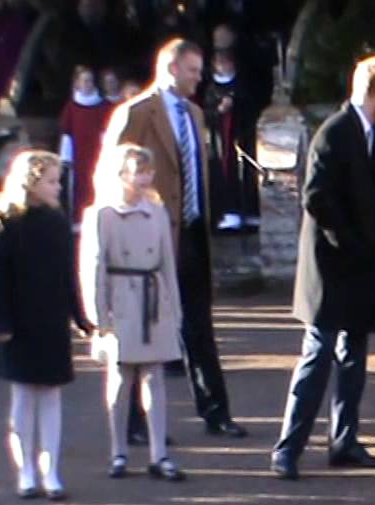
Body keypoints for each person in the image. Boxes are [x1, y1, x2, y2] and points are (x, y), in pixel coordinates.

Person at [271, 55, 375, 481]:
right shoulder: (335, 132)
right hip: (332, 268)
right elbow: (315, 196)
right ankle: (287, 449)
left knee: (353, 356)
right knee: (319, 354)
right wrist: (349, 240)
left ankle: (344, 440)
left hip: (356, 266)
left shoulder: (366, 133)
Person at [102, 38, 248, 438]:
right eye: (193, 71)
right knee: (144, 325)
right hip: (148, 237)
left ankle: (216, 412)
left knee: (199, 324)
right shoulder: (136, 113)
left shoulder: (195, 114)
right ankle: (135, 421)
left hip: (192, 232)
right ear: (171, 68)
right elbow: (110, 176)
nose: (199, 78)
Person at [0, 150, 92, 501]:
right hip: (18, 320)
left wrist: (79, 315)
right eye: (51, 181)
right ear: (30, 183)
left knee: (51, 394)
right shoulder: (4, 224)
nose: (58, 187)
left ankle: (51, 470)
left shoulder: (57, 223)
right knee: (24, 396)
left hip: (50, 318)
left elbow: (66, 275)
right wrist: (0, 323)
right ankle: (26, 470)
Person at [80, 144, 186, 482]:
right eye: (137, 171)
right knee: (121, 378)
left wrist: (175, 308)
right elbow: (92, 268)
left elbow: (168, 263)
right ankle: (119, 452)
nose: (144, 177)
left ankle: (159, 454)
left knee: (154, 377)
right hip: (121, 298)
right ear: (121, 174)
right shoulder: (102, 214)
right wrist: (99, 318)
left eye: (148, 171)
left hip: (153, 299)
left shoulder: (156, 211)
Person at [203, 49, 255, 232]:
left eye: (227, 63)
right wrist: (219, 110)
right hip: (221, 140)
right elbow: (206, 114)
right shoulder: (211, 89)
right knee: (225, 172)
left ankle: (248, 210)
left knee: (246, 172)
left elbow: (251, 107)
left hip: (242, 136)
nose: (224, 66)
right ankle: (228, 211)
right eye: (220, 63)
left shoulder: (241, 85)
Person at [59, 65, 113, 228]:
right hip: (79, 158)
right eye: (84, 81)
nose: (88, 84)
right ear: (77, 84)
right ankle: (79, 221)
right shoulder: (71, 107)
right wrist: (66, 158)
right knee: (79, 189)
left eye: (90, 81)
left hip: (99, 155)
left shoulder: (105, 106)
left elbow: (109, 130)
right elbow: (67, 133)